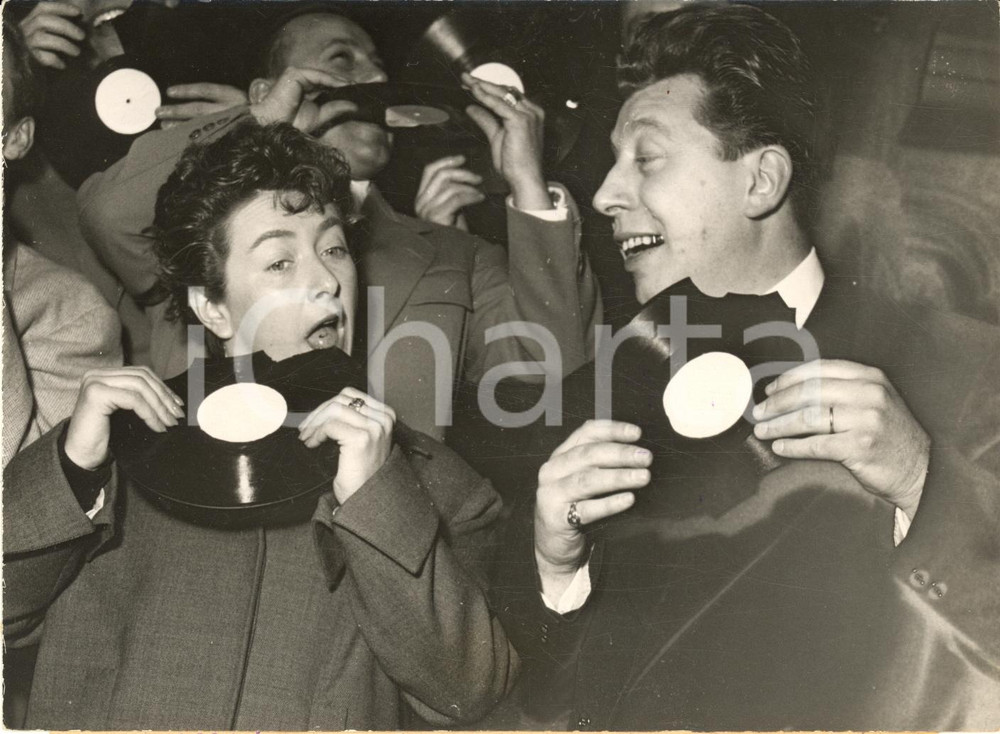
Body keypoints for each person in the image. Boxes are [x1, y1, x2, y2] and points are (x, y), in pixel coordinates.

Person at [491, 5, 1000, 730]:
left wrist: (924, 480)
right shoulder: (591, 398)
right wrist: (557, 568)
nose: (604, 195)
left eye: (646, 158)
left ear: (762, 181)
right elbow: (536, 695)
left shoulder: (976, 370)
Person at [3, 121, 517, 730]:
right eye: (279, 261)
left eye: (333, 249)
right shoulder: (115, 449)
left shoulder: (442, 485)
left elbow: (468, 692)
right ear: (211, 307)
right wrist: (69, 469)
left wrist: (377, 499)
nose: (327, 280)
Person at [75, 7, 600, 439]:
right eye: (341, 63)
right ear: (275, 90)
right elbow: (109, 216)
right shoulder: (206, 229)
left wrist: (528, 184)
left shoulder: (456, 255)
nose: (375, 81)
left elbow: (547, 371)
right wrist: (258, 126)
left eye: (378, 68)